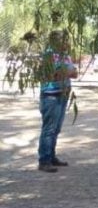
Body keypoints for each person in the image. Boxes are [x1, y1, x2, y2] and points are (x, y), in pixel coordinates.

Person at [37, 30, 78, 173]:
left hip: (63, 94)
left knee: (57, 128)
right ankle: (44, 160)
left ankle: (51, 156)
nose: (67, 42)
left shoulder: (65, 55)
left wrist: (64, 73)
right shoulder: (48, 55)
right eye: (64, 40)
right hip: (51, 95)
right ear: (56, 41)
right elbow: (50, 74)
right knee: (49, 128)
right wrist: (66, 73)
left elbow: (75, 73)